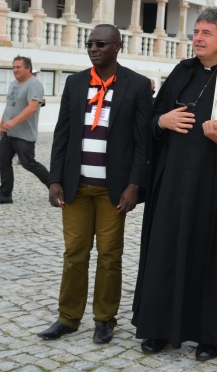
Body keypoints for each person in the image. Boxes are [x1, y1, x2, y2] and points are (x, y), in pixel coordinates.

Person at [132, 8, 217, 360]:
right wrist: (162, 121)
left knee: (211, 255)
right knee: (165, 251)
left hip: (216, 186)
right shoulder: (182, 72)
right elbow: (152, 120)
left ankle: (210, 335)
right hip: (173, 182)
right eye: (196, 32)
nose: (198, 38)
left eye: (206, 33)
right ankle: (158, 328)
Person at [38, 24, 152, 343]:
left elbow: (143, 142)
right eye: (89, 43)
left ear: (117, 46)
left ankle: (105, 319)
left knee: (109, 255)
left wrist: (134, 184)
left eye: (100, 43)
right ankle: (68, 317)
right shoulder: (75, 83)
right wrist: (55, 179)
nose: (93, 49)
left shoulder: (137, 85)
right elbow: (62, 134)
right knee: (74, 253)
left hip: (113, 189)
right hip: (75, 186)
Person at [0, 56, 49, 204]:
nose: (15, 70)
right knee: (4, 161)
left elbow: (32, 108)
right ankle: (5, 194)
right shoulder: (13, 84)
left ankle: (56, 188)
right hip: (9, 132)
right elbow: (9, 106)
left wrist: (13, 122)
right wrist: (2, 125)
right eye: (14, 67)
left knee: (29, 164)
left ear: (28, 68)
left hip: (24, 134)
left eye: (18, 67)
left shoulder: (34, 84)